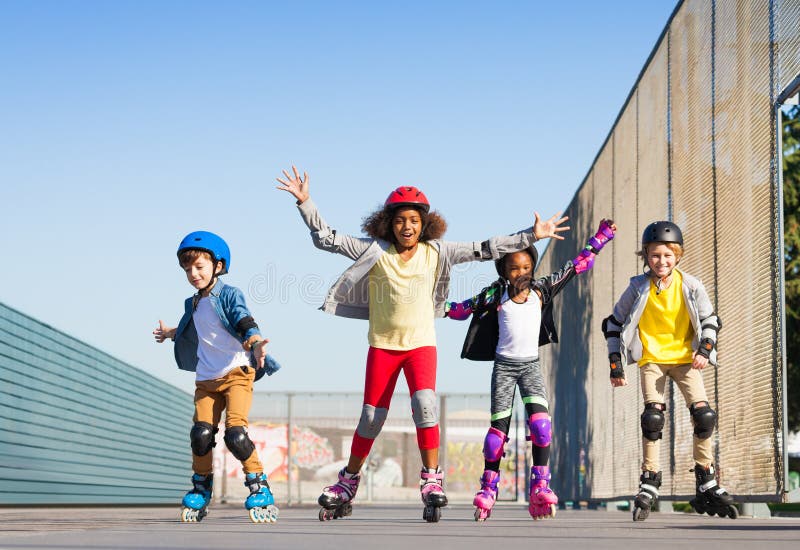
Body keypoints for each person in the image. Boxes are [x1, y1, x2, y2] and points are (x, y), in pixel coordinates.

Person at [276, 166, 569, 522]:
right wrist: (306, 203)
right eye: (400, 220)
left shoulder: (437, 252)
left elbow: (484, 249)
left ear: (425, 223)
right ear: (389, 224)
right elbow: (328, 239)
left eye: (414, 219)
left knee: (425, 406)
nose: (407, 227)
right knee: (371, 417)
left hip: (420, 347)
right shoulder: (375, 250)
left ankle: (431, 480)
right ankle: (348, 481)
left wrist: (530, 236)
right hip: (383, 346)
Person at [446, 219, 616, 521]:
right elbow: (463, 308)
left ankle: (540, 484)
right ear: (503, 271)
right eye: (514, 268)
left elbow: (577, 265)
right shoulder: (495, 295)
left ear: (532, 269)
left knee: (541, 426)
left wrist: (600, 238)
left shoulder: (542, 289)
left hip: (530, 367)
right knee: (496, 436)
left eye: (526, 267)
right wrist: (440, 306)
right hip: (504, 369)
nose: (521, 273)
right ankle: (488, 487)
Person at [602, 221, 737, 521]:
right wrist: (616, 363)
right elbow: (612, 323)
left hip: (685, 359)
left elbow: (711, 320)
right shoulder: (637, 287)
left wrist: (705, 350)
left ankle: (705, 478)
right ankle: (650, 480)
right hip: (652, 359)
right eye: (654, 255)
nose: (661, 261)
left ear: (678, 255)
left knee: (704, 415)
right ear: (645, 256)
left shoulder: (691, 285)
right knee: (653, 417)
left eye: (667, 255)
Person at [153, 231, 280, 524]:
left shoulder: (230, 294)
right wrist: (170, 333)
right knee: (201, 435)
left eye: (199, 267)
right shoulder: (193, 303)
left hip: (237, 373)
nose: (193, 274)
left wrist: (256, 342)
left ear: (218, 266)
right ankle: (201, 487)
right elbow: (195, 327)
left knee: (235, 434)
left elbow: (243, 319)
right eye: (188, 269)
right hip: (206, 379)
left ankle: (258, 484)